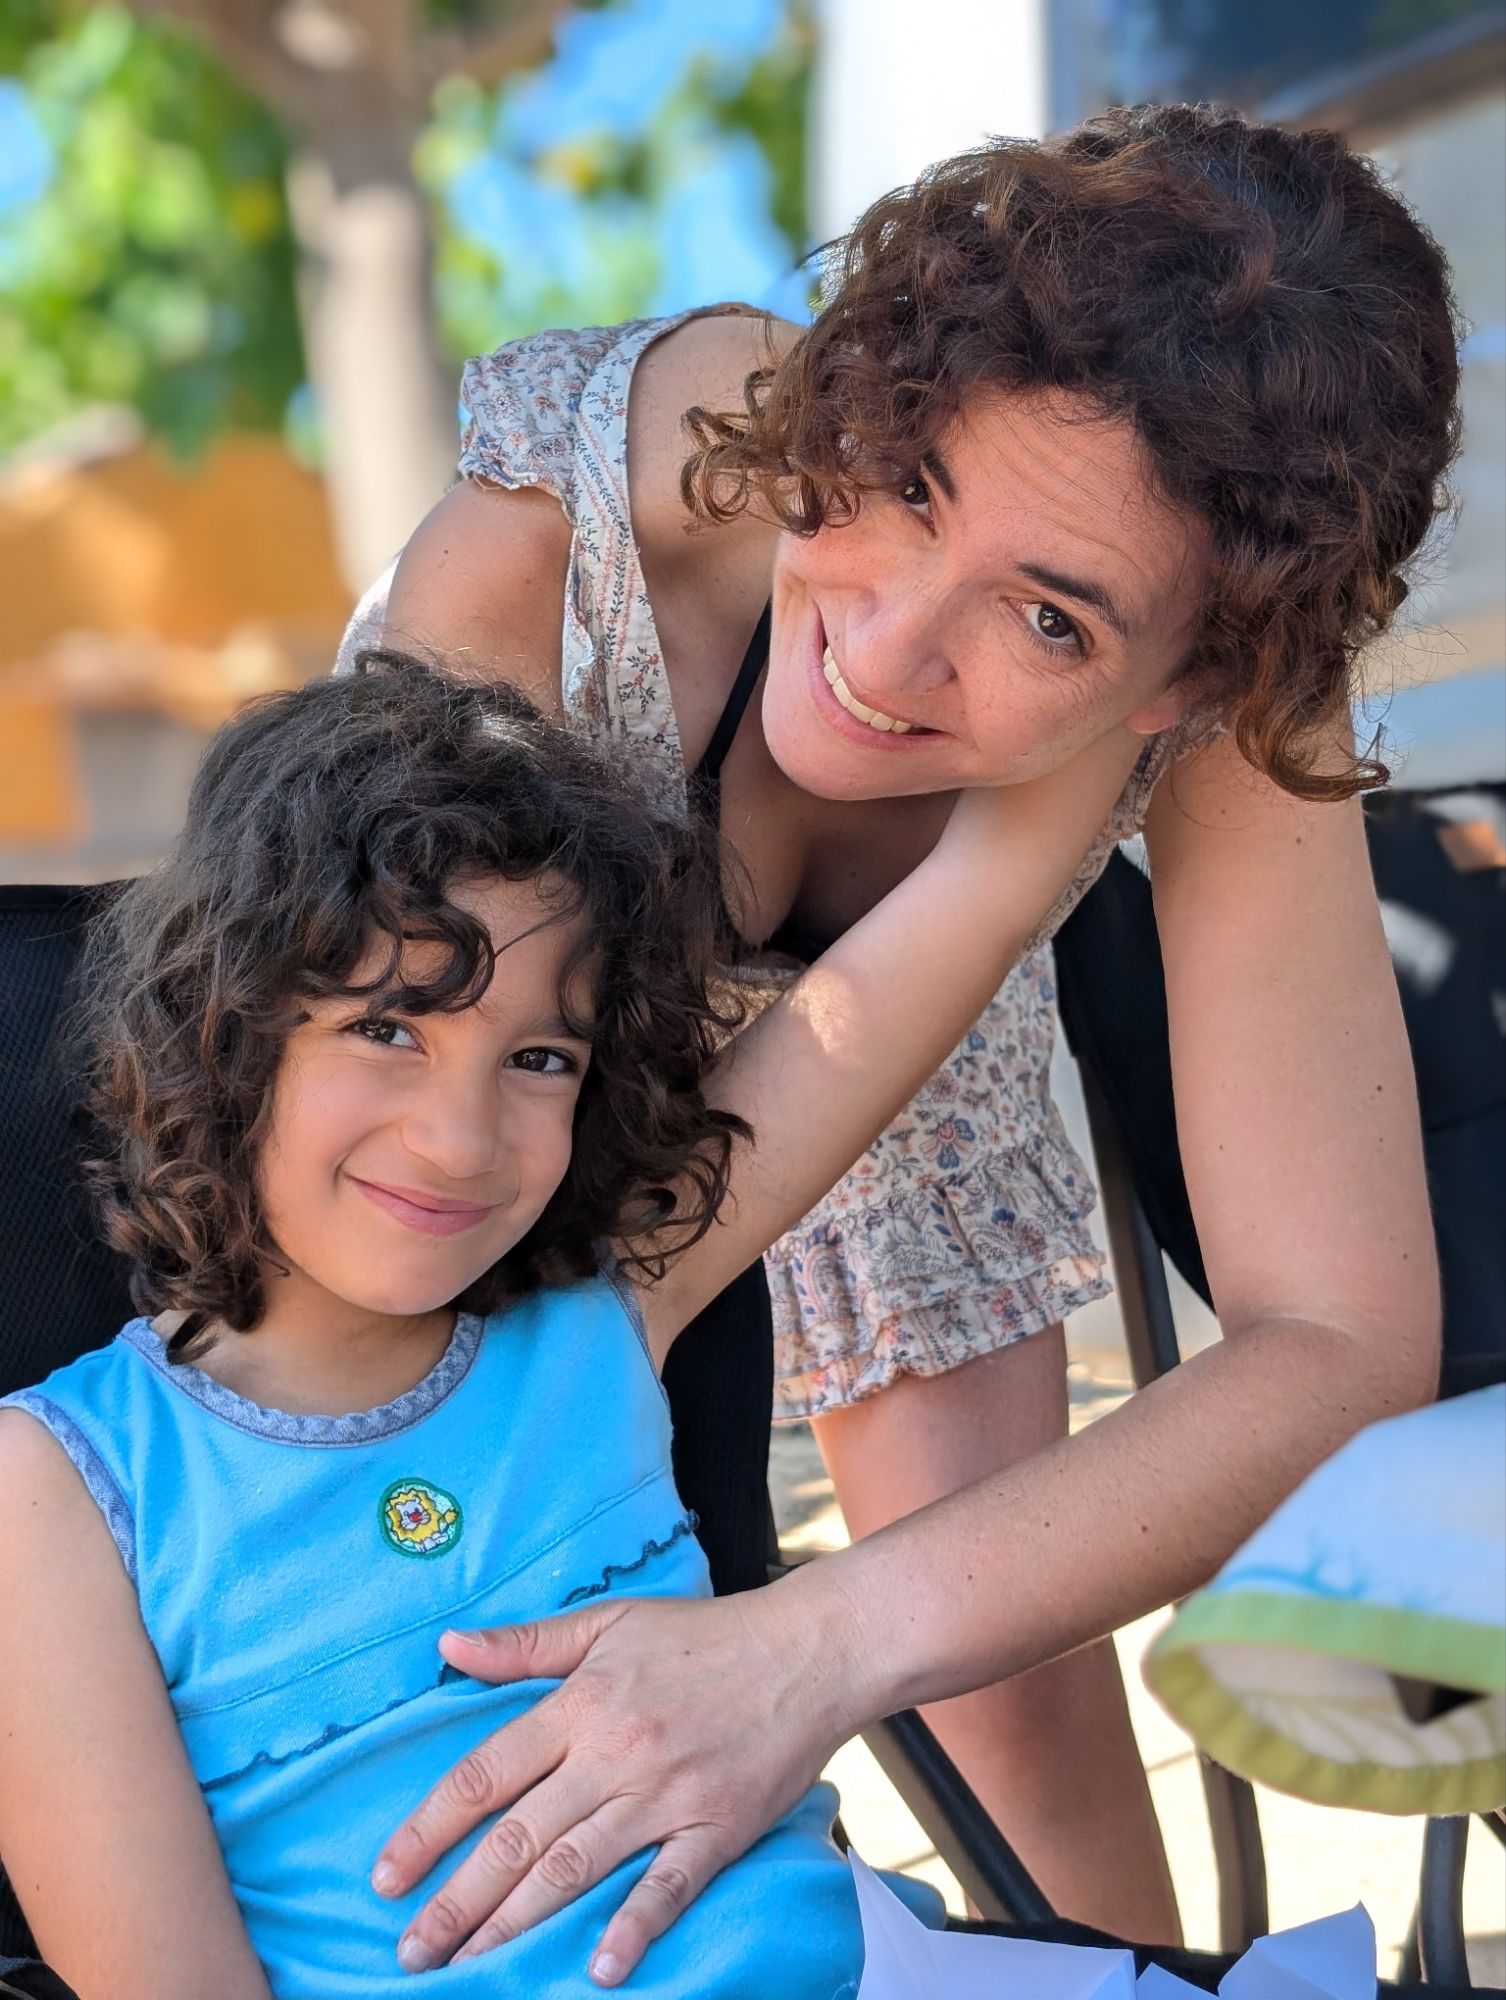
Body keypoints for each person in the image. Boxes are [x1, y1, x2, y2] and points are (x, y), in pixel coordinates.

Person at [336, 103, 1452, 1980]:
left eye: (1048, 619)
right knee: (465, 1657)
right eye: (910, 486)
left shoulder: (1222, 663)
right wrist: (1005, 858)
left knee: (1015, 1718)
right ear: (864, 384)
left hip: (917, 1076)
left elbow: (1339, 1340)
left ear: (1191, 678)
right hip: (487, 1097)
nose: (884, 651)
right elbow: (472, 1283)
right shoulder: (548, 551)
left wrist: (822, 1642)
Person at [0, 656, 1140, 2000]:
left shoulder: (608, 1298)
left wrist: (1188, 623)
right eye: (388, 1027)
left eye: (539, 1058)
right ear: (224, 1025)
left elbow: (985, 889)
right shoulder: (59, 1488)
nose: (459, 1137)